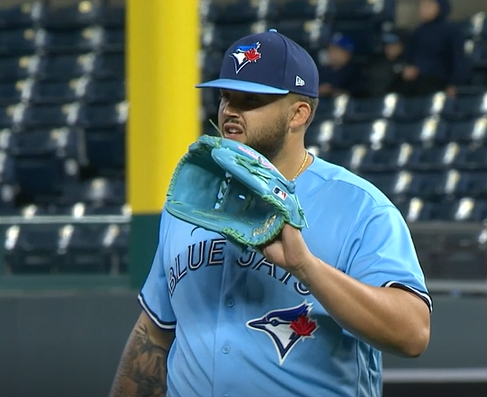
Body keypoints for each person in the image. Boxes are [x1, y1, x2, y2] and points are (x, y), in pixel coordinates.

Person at [109, 29, 432, 397]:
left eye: (250, 100)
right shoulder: (188, 202)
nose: (230, 110)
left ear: (299, 113)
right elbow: (153, 335)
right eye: (225, 97)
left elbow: (413, 334)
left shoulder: (360, 207)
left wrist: (306, 266)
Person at [400, 0, 469, 97]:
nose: (423, 9)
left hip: (438, 81)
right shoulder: (417, 32)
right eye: (422, 6)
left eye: (428, 6)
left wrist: (454, 84)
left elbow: (458, 59)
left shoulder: (452, 31)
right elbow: (409, 57)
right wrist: (408, 68)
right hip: (414, 82)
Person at [318, 32, 365, 98]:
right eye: (330, 49)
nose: (331, 53)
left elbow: (360, 95)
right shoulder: (321, 71)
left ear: (348, 53)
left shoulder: (356, 73)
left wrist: (332, 91)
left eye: (336, 50)